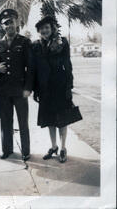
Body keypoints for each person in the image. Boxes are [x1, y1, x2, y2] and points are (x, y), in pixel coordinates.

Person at [32, 16, 82, 163]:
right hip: (44, 88)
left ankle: (63, 148)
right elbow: (34, 70)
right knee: (49, 119)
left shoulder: (62, 42)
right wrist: (36, 90)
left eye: (47, 27)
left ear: (52, 28)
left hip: (60, 86)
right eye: (41, 29)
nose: (44, 30)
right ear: (39, 31)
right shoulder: (36, 45)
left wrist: (69, 86)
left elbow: (68, 65)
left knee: (62, 119)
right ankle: (53, 146)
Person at [0, 9, 33, 161]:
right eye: (5, 23)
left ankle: (25, 151)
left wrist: (28, 88)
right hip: (3, 90)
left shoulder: (24, 42)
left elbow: (31, 67)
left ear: (16, 23)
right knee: (5, 122)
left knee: (23, 122)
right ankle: (7, 150)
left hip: (19, 89)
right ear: (2, 26)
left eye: (11, 22)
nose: (9, 25)